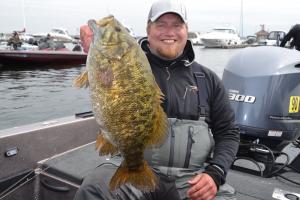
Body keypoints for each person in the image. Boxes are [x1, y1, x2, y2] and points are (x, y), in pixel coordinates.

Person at [74, 0, 240, 199]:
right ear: (148, 30)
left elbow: (228, 132)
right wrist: (93, 40)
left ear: (186, 30)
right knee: (94, 188)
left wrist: (215, 173)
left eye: (176, 26)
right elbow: (105, 67)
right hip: (133, 170)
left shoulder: (208, 79)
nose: (169, 32)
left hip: (190, 180)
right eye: (161, 25)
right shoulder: (127, 62)